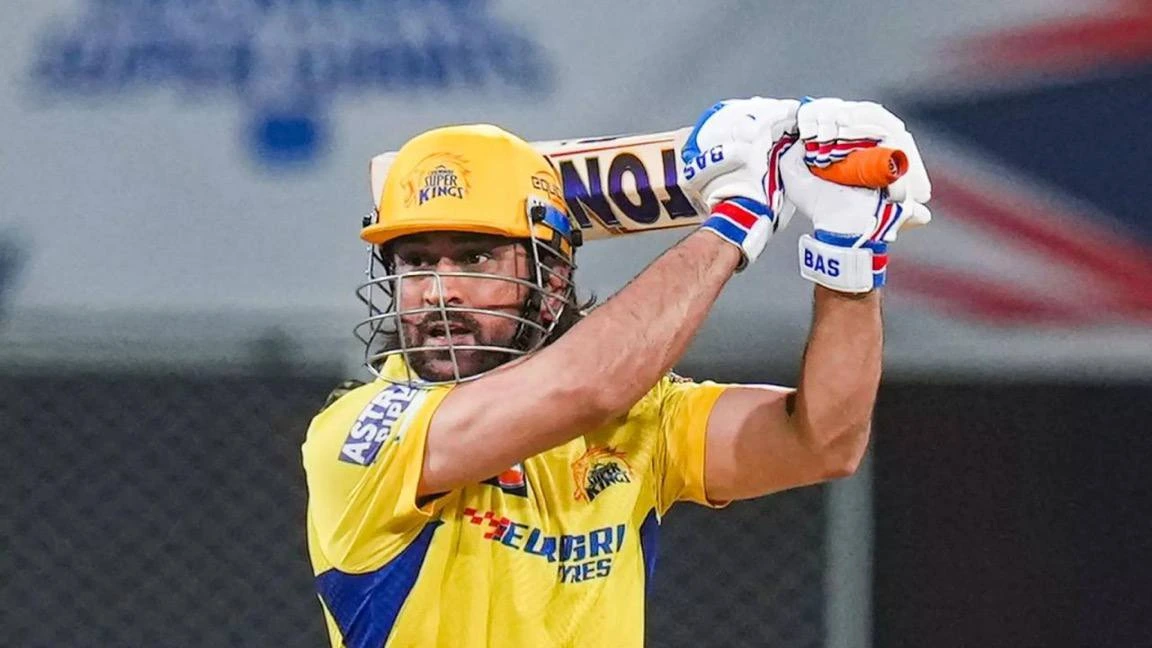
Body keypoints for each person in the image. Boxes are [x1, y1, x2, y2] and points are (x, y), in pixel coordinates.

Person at [301, 96, 932, 647]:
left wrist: (850, 262)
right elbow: (588, 387)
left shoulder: (640, 421)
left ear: (551, 283)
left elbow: (823, 442)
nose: (440, 292)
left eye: (475, 259)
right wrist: (736, 220)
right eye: (416, 262)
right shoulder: (359, 435)